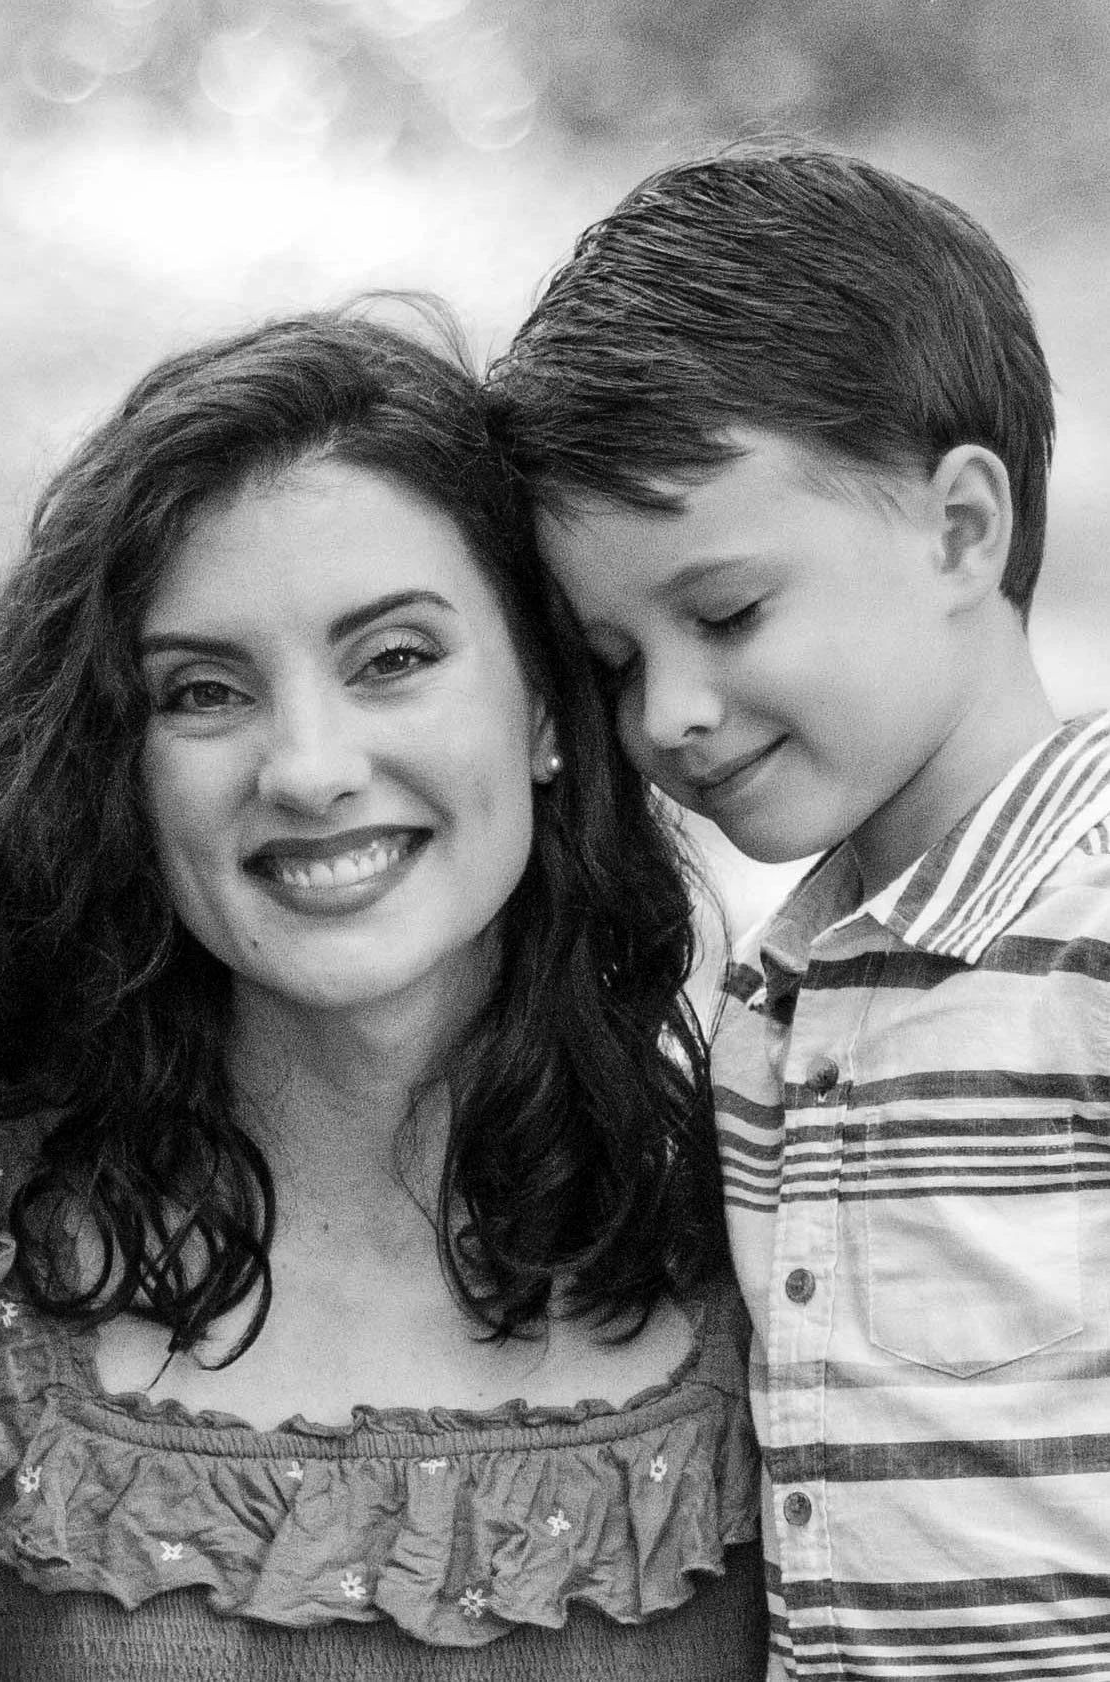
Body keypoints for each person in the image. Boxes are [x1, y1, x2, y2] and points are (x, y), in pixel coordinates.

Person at [0, 307, 767, 1682]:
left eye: (394, 659)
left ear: (542, 702)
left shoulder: (779, 1231)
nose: (306, 766)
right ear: (124, 762)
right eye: (205, 692)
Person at [487, 145, 1110, 1679]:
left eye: (725, 614)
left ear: (961, 529)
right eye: (614, 661)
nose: (669, 716)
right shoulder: (773, 989)